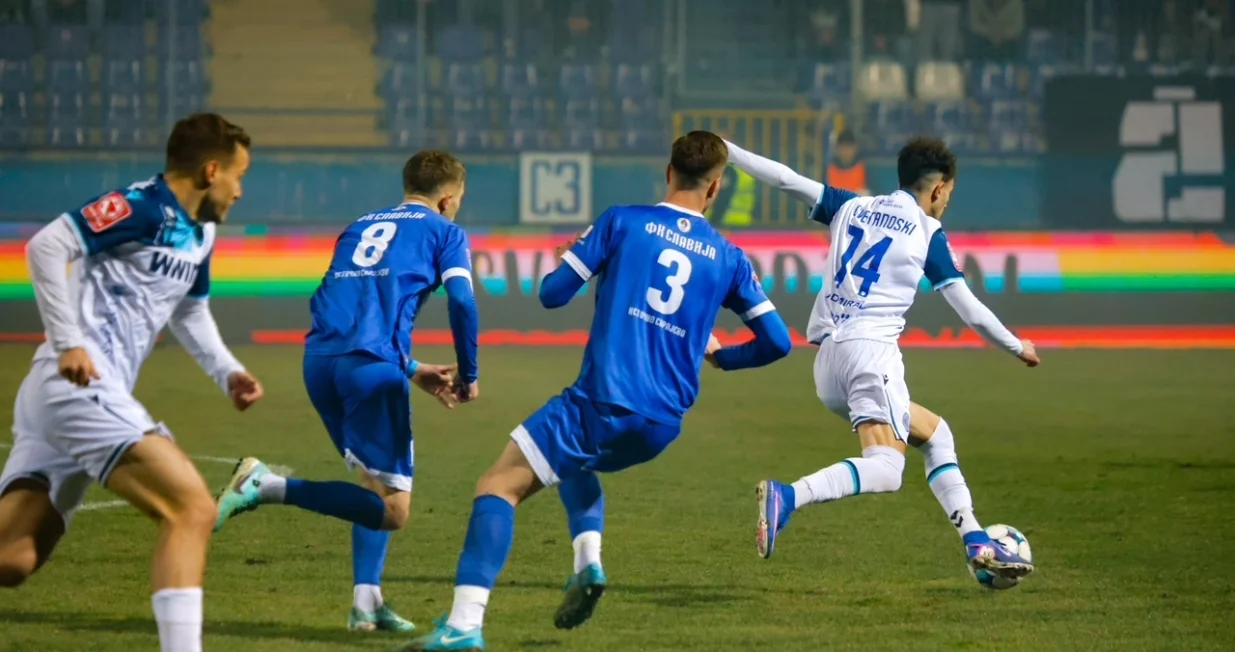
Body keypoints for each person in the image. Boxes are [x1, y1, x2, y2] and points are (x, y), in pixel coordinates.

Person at [401, 131, 793, 651]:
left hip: (603, 401)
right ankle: (588, 564)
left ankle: (464, 625)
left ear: (669, 172)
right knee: (573, 462)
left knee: (498, 485)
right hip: (661, 424)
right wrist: (721, 356)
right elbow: (779, 343)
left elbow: (551, 295)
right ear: (715, 188)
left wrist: (577, 263)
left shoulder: (622, 221)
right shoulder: (729, 258)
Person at [0, 112, 263, 652]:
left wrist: (228, 373)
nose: (241, 191)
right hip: (75, 382)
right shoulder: (141, 206)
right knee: (193, 508)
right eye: (239, 175)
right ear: (211, 170)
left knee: (12, 559)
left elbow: (189, 312)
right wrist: (69, 339)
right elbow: (47, 247)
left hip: (76, 395)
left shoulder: (201, 232)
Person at [722, 137, 1038, 580]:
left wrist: (730, 151)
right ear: (938, 189)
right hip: (871, 356)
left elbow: (785, 179)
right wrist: (1016, 345)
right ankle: (787, 496)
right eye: (949, 193)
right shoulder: (927, 233)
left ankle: (974, 538)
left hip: (828, 362)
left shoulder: (851, 207)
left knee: (936, 434)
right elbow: (968, 308)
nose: (947, 202)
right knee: (887, 470)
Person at [212, 151, 480, 632]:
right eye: (458, 201)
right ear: (446, 200)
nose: (457, 209)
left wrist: (413, 368)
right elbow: (462, 301)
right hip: (370, 372)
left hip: (320, 364)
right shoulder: (446, 232)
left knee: (372, 487)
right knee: (393, 510)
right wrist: (471, 373)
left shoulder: (360, 226)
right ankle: (265, 485)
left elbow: (347, 305)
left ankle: (366, 603)